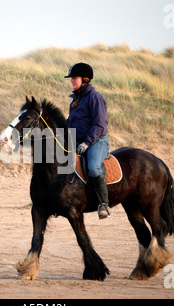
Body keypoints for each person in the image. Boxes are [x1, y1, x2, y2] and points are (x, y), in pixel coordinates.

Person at [65, 62, 110, 219]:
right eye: (71, 78)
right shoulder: (75, 100)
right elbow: (70, 123)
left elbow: (99, 125)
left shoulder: (95, 98)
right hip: (78, 141)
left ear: (85, 79)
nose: (71, 80)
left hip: (97, 141)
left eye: (74, 78)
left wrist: (87, 143)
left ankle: (103, 204)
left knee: (93, 168)